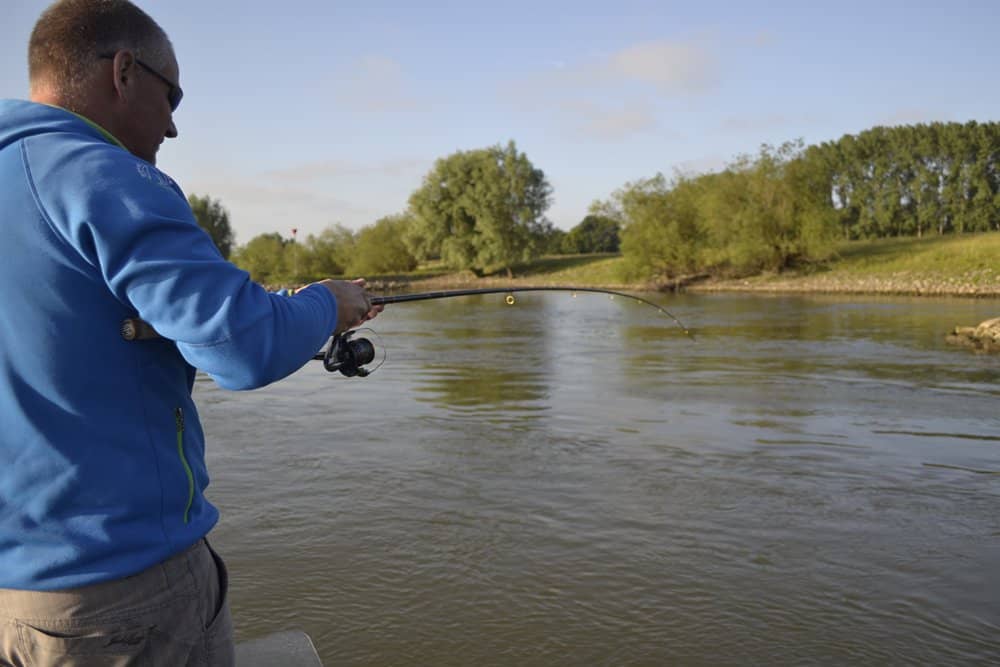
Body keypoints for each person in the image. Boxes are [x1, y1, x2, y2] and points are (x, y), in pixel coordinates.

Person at [0, 1, 381, 664]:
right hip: (121, 595)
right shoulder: (105, 177)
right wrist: (327, 303)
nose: (174, 125)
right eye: (172, 95)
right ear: (124, 72)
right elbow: (241, 345)